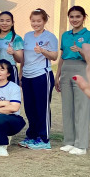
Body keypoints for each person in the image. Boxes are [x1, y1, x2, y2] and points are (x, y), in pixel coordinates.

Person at [55, 5, 90, 155]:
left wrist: (80, 50)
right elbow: (62, 56)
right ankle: (69, 141)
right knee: (67, 108)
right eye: (71, 17)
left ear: (84, 17)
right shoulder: (65, 35)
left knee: (82, 107)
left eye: (78, 16)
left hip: (82, 69)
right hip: (66, 69)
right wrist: (57, 75)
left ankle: (81, 144)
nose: (74, 19)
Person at [19, 8, 59, 150]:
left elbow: (54, 56)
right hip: (27, 75)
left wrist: (42, 50)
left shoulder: (50, 37)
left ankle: (44, 139)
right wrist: (21, 73)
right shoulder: (27, 36)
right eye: (33, 21)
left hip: (42, 75)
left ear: (44, 21)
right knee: (29, 108)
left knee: (42, 107)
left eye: (39, 21)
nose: (35, 24)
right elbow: (24, 57)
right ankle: (32, 135)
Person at [0, 11, 23, 84]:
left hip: (10, 70)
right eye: (2, 21)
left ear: (12, 23)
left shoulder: (16, 38)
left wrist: (14, 53)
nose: (4, 23)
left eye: (8, 21)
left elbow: (20, 59)